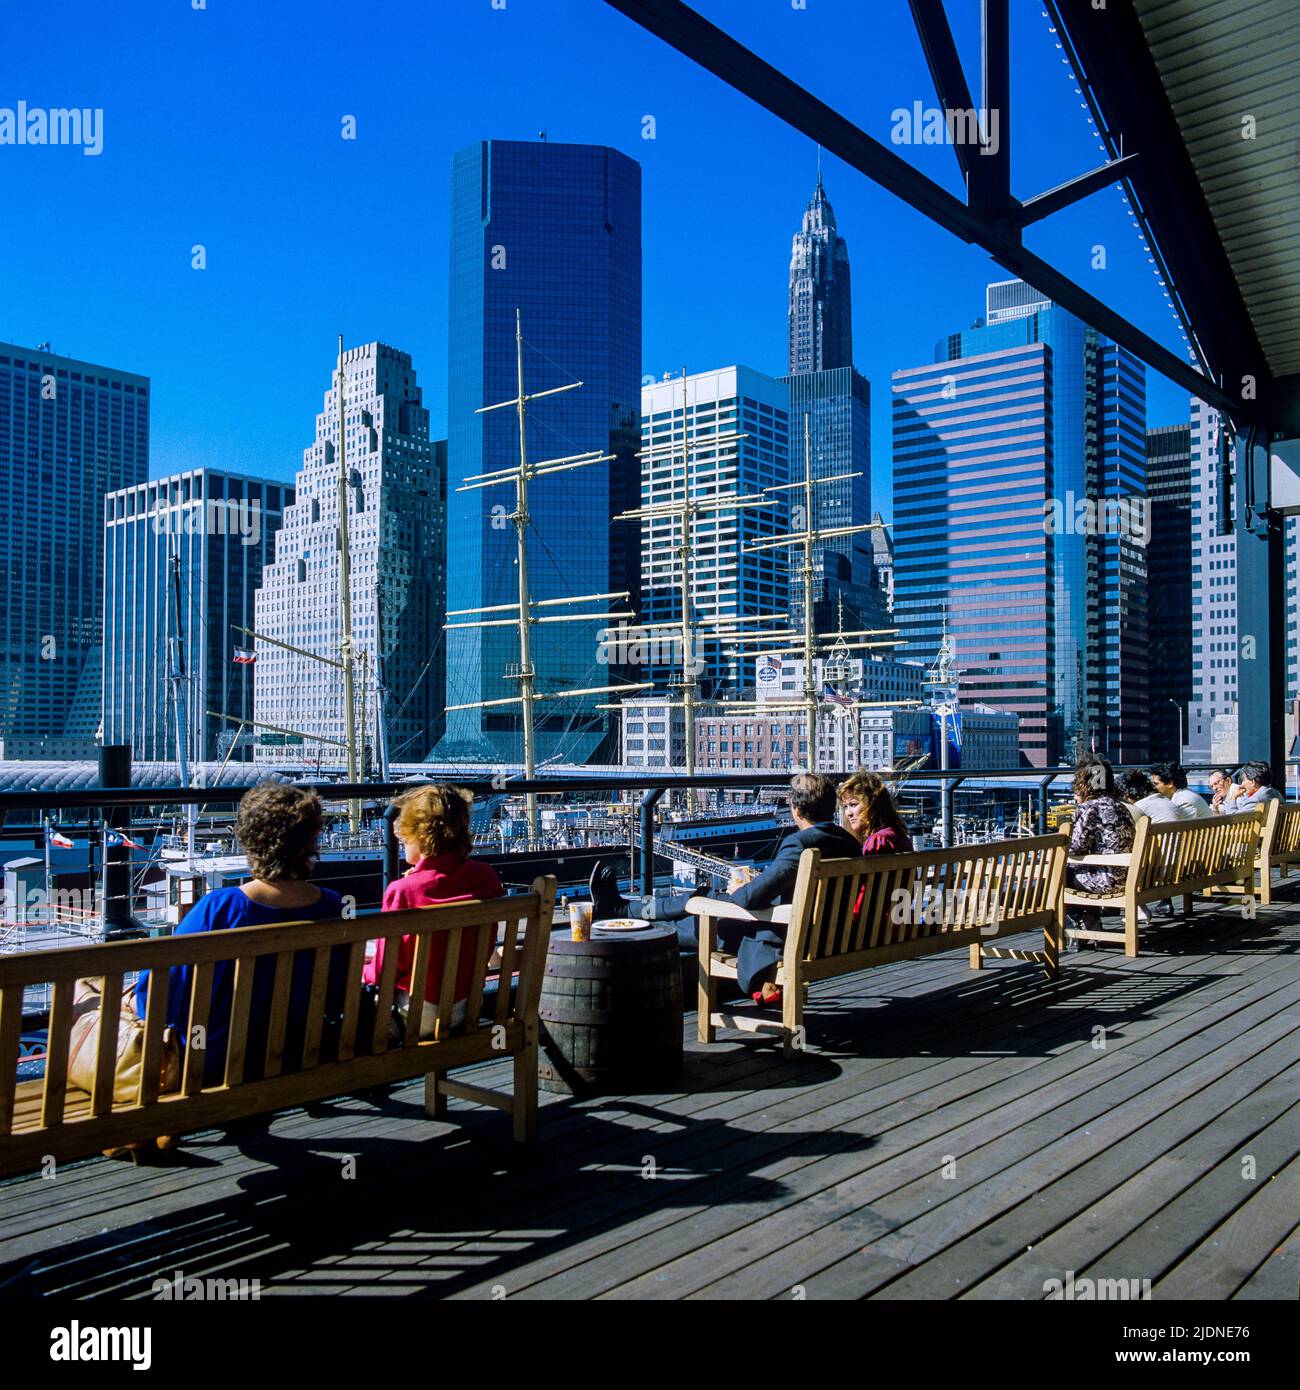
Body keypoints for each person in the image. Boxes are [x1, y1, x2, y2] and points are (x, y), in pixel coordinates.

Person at [134, 783, 350, 1090]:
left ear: (250, 839)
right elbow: (340, 986)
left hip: (216, 1062)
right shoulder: (336, 905)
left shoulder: (218, 909)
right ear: (312, 839)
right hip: (305, 1050)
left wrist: (133, 999)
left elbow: (161, 1000)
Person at [590, 772, 861, 1003]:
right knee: (700, 898)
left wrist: (739, 887)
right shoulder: (849, 844)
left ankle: (622, 912)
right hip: (829, 938)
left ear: (797, 809)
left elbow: (750, 897)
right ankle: (622, 907)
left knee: (692, 916)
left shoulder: (800, 845)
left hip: (786, 936)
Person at [368, 784, 503, 1039]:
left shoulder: (403, 891)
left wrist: (360, 968)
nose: (401, 838)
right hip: (467, 1007)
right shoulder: (486, 877)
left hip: (416, 1016)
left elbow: (383, 971)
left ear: (421, 835)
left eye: (404, 832)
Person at [1066, 754, 1134, 939]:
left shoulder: (1089, 808)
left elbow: (1074, 847)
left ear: (1084, 783)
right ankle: (1090, 923)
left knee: (1061, 874)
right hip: (1130, 876)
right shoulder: (1121, 807)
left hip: (1108, 880)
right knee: (1076, 871)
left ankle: (1078, 927)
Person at [838, 770, 913, 853]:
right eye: (845, 806)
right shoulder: (899, 835)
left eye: (853, 805)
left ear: (872, 805)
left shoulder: (878, 841)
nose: (848, 813)